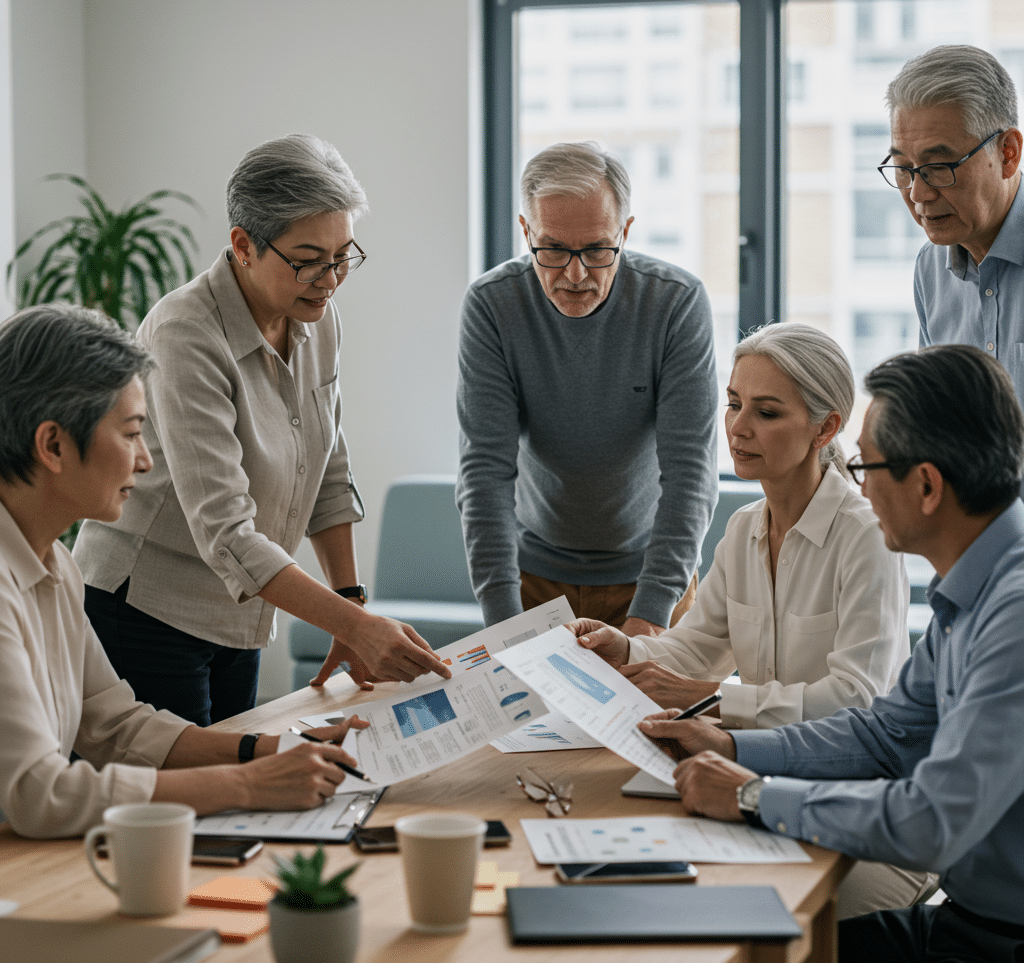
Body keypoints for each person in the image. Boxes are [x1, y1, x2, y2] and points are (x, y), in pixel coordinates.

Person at [640, 344, 1024, 963]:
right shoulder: (972, 588)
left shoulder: (1013, 614)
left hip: (1010, 958)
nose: (858, 482)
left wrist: (755, 796)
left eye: (867, 466)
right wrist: (735, 750)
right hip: (965, 927)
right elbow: (884, 734)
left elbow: (931, 819)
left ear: (927, 486)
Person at [73, 135, 449, 726]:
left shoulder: (316, 316)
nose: (329, 278)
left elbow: (328, 467)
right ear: (243, 245)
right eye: (307, 258)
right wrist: (354, 626)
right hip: (144, 609)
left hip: (239, 614)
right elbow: (225, 529)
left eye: (342, 255)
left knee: (236, 797)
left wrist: (349, 604)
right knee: (189, 797)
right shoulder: (185, 333)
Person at [571, 322, 920, 919]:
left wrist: (712, 698)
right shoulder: (742, 530)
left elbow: (856, 703)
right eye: (733, 404)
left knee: (777, 917)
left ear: (826, 427)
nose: (737, 427)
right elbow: (694, 648)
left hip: (870, 801)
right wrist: (624, 653)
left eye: (766, 412)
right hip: (765, 777)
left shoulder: (866, 537)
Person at [0, 304, 371, 840]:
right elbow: (42, 793)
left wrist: (275, 749)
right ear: (53, 445)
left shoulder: (55, 565)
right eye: (131, 434)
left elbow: (115, 725)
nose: (146, 461)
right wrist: (247, 784)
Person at [456, 141, 718, 639]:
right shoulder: (492, 305)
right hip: (531, 579)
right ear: (525, 231)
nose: (575, 275)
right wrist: (502, 622)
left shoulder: (676, 303)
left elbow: (690, 473)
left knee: (656, 717)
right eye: (552, 249)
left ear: (625, 231)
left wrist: (651, 615)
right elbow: (484, 471)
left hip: (653, 575)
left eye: (598, 250)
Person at [883, 46, 1024, 406]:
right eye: (903, 169)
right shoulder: (931, 269)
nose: (918, 193)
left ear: (1008, 152)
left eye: (939, 167)